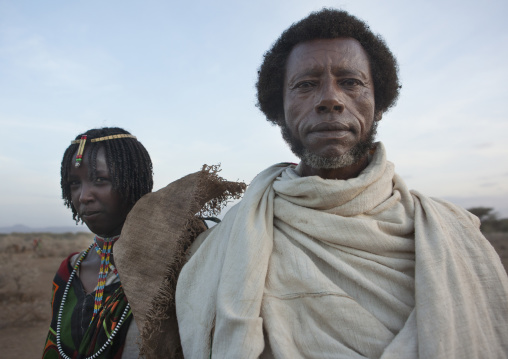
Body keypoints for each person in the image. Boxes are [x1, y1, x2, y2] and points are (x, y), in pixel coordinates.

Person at [174, 9, 508, 358]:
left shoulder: (454, 236)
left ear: (378, 104)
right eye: (306, 85)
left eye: (351, 82)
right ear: (280, 108)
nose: (330, 99)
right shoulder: (224, 244)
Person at [42, 127, 153, 358]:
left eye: (100, 180)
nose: (83, 196)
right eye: (74, 183)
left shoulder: (169, 269)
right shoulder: (69, 271)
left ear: (135, 182)